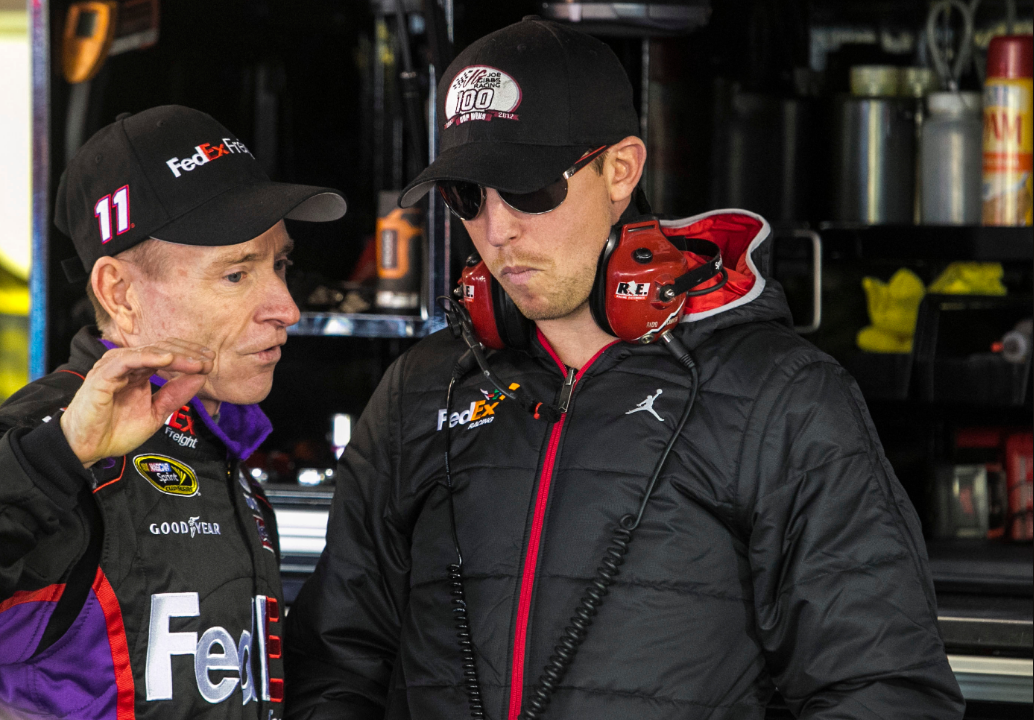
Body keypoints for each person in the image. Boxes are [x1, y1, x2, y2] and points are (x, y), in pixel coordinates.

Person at [284, 18, 963, 720]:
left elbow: (885, 691)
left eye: (529, 188)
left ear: (620, 169)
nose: (498, 230)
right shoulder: (422, 391)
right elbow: (337, 664)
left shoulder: (782, 398)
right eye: (467, 196)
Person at [0, 105, 345, 720]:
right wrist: (54, 457)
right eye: (236, 274)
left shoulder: (210, 439)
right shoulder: (55, 445)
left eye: (280, 265)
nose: (286, 307)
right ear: (120, 293)